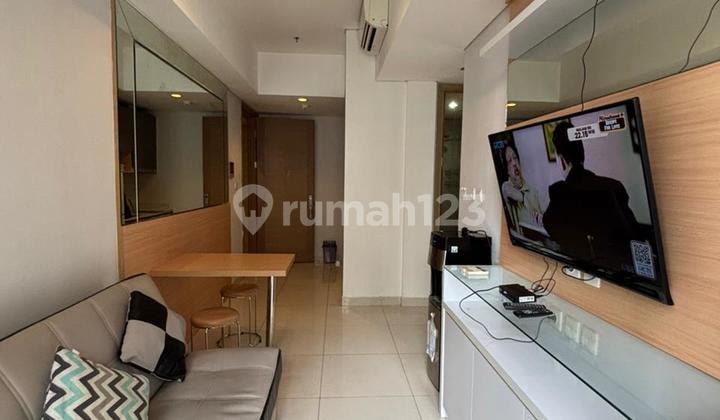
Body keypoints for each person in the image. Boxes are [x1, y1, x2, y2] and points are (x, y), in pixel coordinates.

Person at [542, 121, 640, 268]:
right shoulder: (614, 186)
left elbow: (550, 226)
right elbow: (633, 235)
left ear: (561, 161)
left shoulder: (561, 193)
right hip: (622, 271)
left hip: (583, 269)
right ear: (582, 154)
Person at [500, 143, 543, 233]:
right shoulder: (506, 187)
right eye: (509, 161)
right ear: (507, 170)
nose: (514, 163)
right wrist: (524, 198)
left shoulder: (533, 191)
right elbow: (507, 189)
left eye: (515, 158)